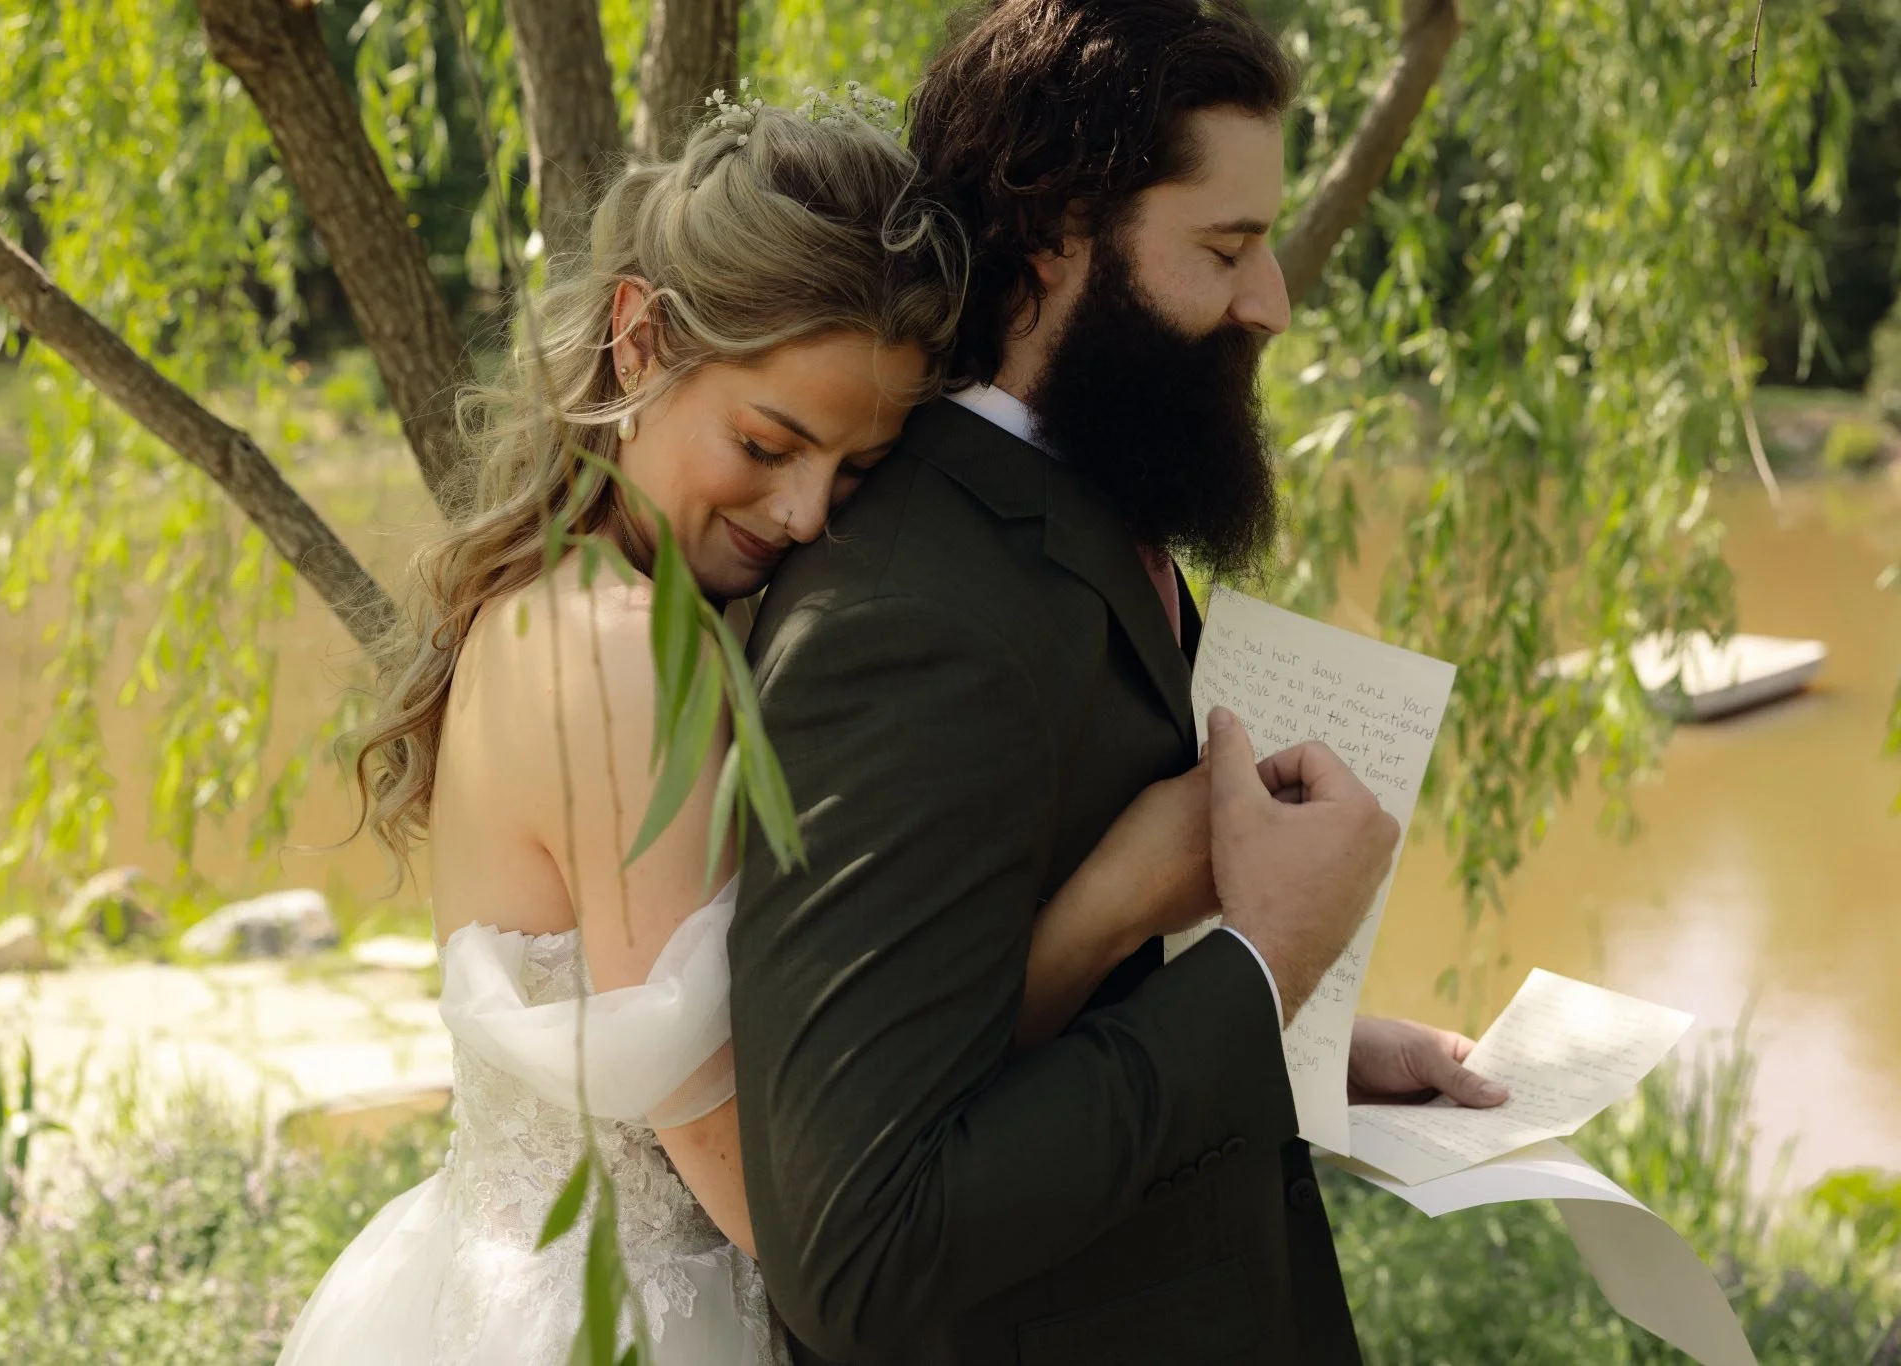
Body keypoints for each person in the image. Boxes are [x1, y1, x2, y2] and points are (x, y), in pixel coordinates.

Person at [279, 90, 1279, 1366]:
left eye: (856, 470)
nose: (806, 515)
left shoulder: (567, 602)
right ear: (639, 342)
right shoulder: (626, 659)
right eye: (767, 442)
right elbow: (796, 1203)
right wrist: (1118, 902)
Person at [727, 2, 1508, 1363]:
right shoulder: (910, 616)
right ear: (1051, 229)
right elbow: (865, 1249)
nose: (1269, 303)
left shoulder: (1075, 502)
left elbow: (1007, 1013)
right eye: (1225, 248)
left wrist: (1306, 1031)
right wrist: (1259, 972)